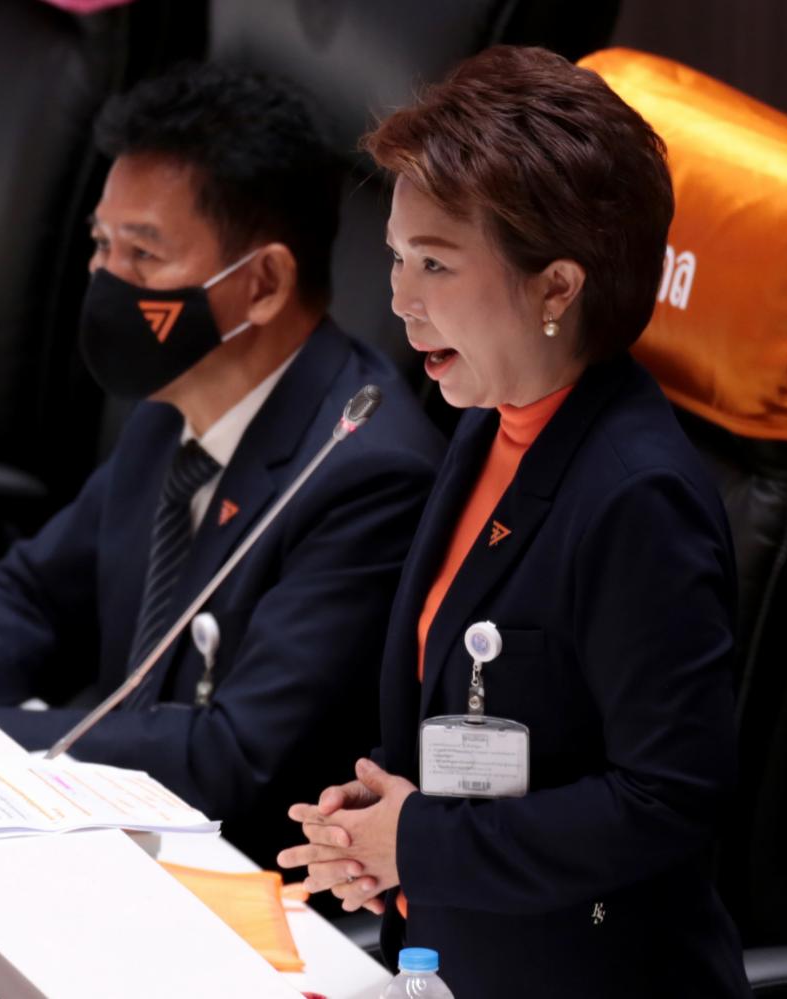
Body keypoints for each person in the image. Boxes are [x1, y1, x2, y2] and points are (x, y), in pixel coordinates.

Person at [277, 46, 750, 996]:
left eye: (436, 264)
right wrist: (383, 818)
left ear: (557, 288)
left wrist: (420, 840)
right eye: (397, 257)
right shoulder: (491, 422)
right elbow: (498, 719)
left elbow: (665, 800)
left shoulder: (636, 497)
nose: (401, 300)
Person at [0, 63, 446, 871]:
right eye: (101, 245)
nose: (105, 281)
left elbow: (236, 757)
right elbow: (41, 591)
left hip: (237, 887)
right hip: (104, 839)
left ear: (262, 283)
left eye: (143, 254)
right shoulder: (173, 401)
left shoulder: (367, 473)